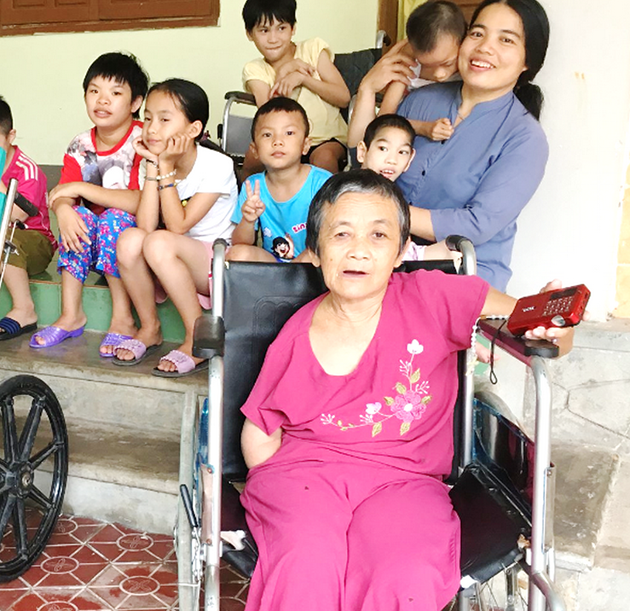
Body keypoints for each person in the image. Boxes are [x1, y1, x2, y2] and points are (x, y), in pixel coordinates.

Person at [239, 169, 575, 611]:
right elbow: (261, 430)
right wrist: (285, 500)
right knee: (306, 563)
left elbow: (531, 321)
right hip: (302, 475)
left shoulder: (432, 297)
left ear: (400, 252)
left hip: (405, 480)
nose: (358, 249)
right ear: (316, 252)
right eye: (341, 234)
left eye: (378, 235)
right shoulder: (295, 334)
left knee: (406, 574)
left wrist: (556, 328)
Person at [349, 0, 551, 291]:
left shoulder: (525, 139)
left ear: (528, 60)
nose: (485, 48)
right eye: (477, 33)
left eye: (505, 40)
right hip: (387, 268)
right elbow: (365, 164)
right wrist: (367, 88)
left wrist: (380, 209)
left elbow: (476, 225)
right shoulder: (419, 101)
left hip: (461, 279)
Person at [113, 80, 237, 376]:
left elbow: (178, 226)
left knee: (158, 242)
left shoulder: (217, 165)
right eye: (148, 118)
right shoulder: (153, 162)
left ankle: (198, 337)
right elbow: (145, 224)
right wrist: (153, 167)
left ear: (193, 130)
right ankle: (150, 327)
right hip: (169, 257)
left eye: (165, 120)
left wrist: (164, 168)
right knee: (131, 238)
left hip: (215, 264)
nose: (152, 128)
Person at [30, 52, 149, 355]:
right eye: (94, 91)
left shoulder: (142, 141)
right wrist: (64, 210)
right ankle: (71, 315)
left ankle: (123, 318)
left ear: (135, 103)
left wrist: (82, 187)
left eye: (116, 93)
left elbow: (138, 201)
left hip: (133, 240)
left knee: (113, 219)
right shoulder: (80, 145)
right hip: (94, 240)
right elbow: (62, 193)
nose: (103, 100)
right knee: (77, 215)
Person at [0, 94, 56, 340]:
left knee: (3, 234)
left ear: (10, 136)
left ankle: (24, 309)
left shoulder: (27, 171)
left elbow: (13, 215)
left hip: (34, 242)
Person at [241, 0, 350, 173]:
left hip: (326, 139)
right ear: (249, 34)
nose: (273, 38)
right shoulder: (255, 69)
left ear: (293, 28)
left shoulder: (312, 49)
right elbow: (269, 115)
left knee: (323, 158)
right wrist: (285, 72)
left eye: (281, 28)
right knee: (253, 158)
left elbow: (343, 97)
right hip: (281, 140)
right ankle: (247, 200)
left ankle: (329, 202)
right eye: (264, 30)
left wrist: (303, 79)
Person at [347, 0, 467, 146]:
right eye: (427, 65)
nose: (439, 74)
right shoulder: (408, 64)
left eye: (447, 63)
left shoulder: (470, 61)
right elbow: (385, 118)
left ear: (464, 42)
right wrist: (424, 128)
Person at [226, 97, 331, 263]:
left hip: (311, 266)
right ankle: (282, 283)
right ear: (254, 150)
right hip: (274, 266)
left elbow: (333, 239)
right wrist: (248, 220)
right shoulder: (253, 186)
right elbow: (240, 243)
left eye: (289, 133)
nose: (277, 142)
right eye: (267, 135)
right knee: (237, 253)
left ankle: (285, 283)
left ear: (305, 145)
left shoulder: (322, 183)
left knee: (316, 252)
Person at [355, 114, 457, 261]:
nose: (392, 160)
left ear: (410, 160)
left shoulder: (392, 197)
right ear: (362, 152)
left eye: (402, 152)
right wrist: (424, 254)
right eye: (383, 148)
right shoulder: (349, 192)